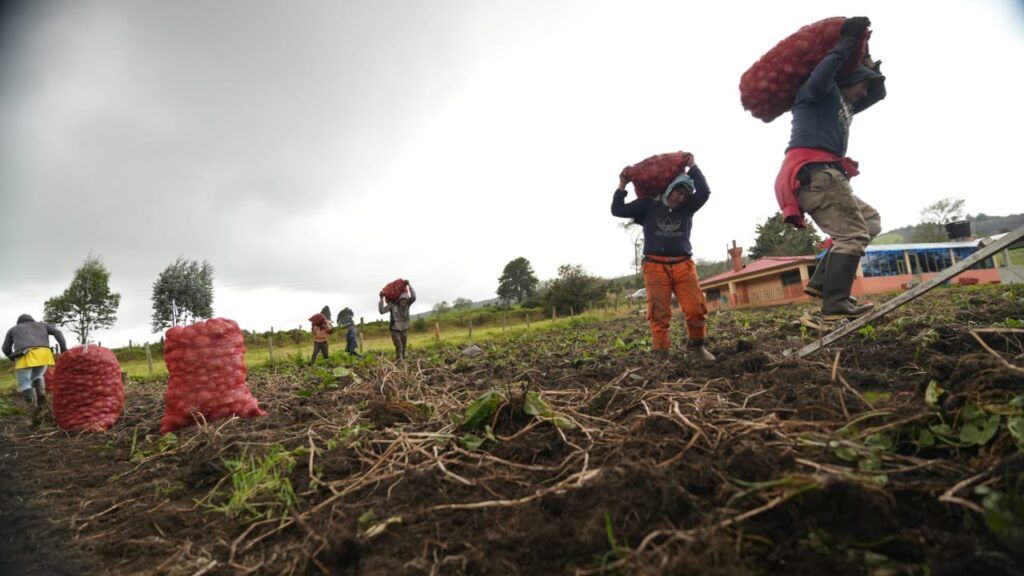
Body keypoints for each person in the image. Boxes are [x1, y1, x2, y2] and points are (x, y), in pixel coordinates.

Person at [775, 16, 886, 320]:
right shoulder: (818, 94)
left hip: (825, 175)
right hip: (816, 173)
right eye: (860, 86)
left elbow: (878, 93)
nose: (863, 93)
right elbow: (825, 74)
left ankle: (823, 283)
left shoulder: (846, 104)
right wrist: (846, 44)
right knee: (852, 235)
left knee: (870, 222)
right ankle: (835, 305)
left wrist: (869, 62)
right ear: (848, 81)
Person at [612, 156, 715, 361]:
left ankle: (697, 347)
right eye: (678, 192)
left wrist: (693, 166)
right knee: (658, 314)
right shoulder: (649, 206)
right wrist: (622, 184)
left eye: (685, 195)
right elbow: (617, 210)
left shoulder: (688, 208)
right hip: (655, 267)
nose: (680, 198)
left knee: (696, 309)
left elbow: (704, 192)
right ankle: (662, 354)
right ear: (670, 189)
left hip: (683, 266)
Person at [2, 314, 68, 423]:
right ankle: (42, 402)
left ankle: (33, 409)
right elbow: (58, 332)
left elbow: (5, 348)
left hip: (25, 354)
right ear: (32, 320)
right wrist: (63, 347)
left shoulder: (13, 329)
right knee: (38, 376)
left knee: (24, 382)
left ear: (19, 322)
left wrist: (13, 358)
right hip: (44, 353)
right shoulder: (42, 325)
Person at [378, 283, 416, 362]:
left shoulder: (408, 305)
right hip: (395, 329)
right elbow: (381, 311)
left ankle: (403, 360)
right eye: (402, 302)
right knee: (399, 345)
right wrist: (381, 299)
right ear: (399, 301)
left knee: (404, 346)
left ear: (407, 301)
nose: (403, 304)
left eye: (405, 302)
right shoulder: (392, 305)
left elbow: (414, 297)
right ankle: (399, 361)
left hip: (404, 328)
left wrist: (409, 286)